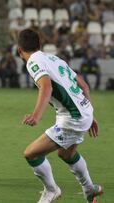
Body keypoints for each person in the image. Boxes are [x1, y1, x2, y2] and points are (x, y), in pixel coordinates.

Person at [18, 29, 103, 203]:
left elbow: (46, 87)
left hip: (72, 119)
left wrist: (36, 116)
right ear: (40, 45)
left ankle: (51, 190)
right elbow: (84, 86)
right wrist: (90, 114)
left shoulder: (33, 61)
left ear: (20, 50)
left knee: (31, 154)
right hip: (82, 112)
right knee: (66, 154)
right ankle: (89, 189)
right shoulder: (54, 58)